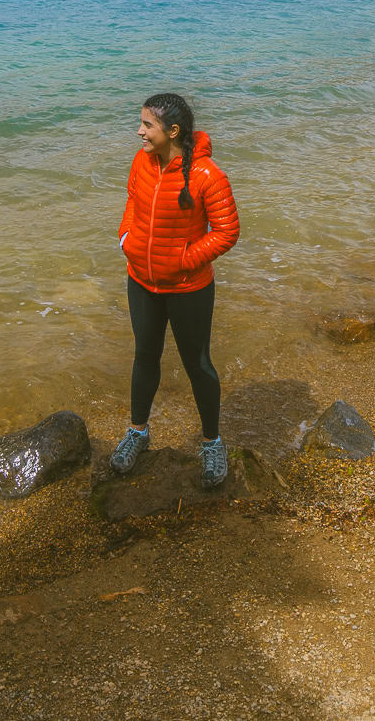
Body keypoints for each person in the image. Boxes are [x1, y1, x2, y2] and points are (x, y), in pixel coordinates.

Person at [112, 92, 240, 489]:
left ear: (172, 131)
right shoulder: (141, 162)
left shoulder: (208, 175)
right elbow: (132, 201)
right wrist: (127, 240)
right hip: (142, 280)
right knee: (145, 356)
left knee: (197, 365)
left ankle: (212, 442)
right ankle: (138, 432)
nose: (139, 131)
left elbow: (227, 232)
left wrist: (184, 260)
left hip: (188, 288)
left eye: (147, 125)